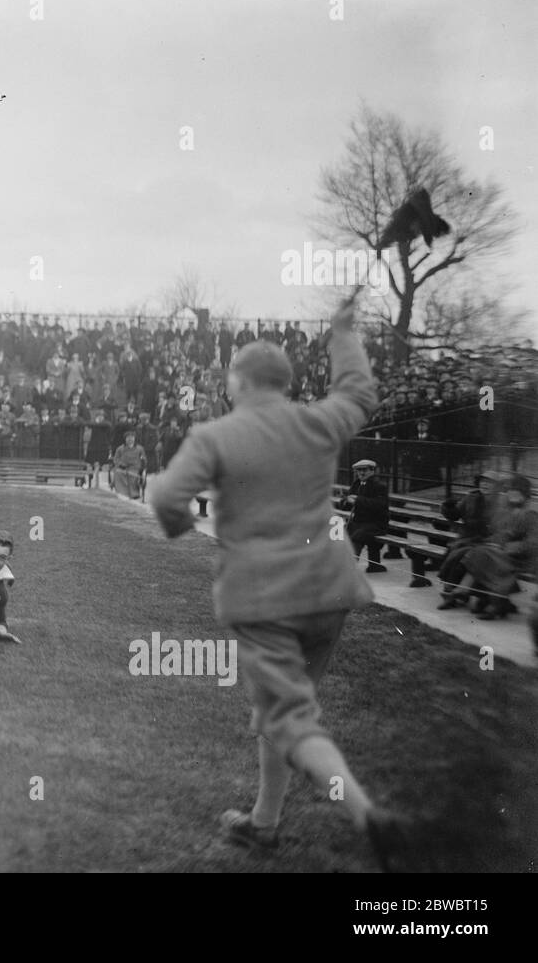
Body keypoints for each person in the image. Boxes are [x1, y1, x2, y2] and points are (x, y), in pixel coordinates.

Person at [149, 297, 412, 872]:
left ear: (236, 381)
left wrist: (172, 522)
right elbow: (359, 394)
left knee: (287, 715)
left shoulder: (215, 434)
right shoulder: (317, 421)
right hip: (331, 591)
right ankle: (264, 824)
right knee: (279, 711)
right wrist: (343, 334)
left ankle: (368, 814)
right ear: (286, 383)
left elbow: (168, 500)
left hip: (266, 599)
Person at [452, 474, 538, 618]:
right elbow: (503, 534)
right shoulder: (508, 512)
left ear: (525, 494)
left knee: (485, 555)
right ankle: (488, 600)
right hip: (505, 554)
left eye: (517, 491)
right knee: (481, 552)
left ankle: (483, 598)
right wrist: (494, 542)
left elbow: (533, 543)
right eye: (510, 490)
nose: (512, 494)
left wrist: (507, 547)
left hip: (523, 557)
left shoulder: (530, 515)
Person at [436, 472, 501, 608]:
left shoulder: (499, 502)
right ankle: (450, 592)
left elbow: (501, 527)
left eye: (489, 483)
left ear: (496, 486)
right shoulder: (471, 498)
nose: (485, 485)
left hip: (486, 540)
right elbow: (455, 515)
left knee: (461, 555)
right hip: (467, 538)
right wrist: (448, 507)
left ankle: (453, 593)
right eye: (483, 482)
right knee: (453, 551)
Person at [337, 460, 390, 573]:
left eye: (364, 470)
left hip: (376, 523)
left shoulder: (380, 485)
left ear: (372, 471)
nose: (361, 473)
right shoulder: (356, 484)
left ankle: (349, 569)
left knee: (357, 536)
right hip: (359, 522)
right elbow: (347, 506)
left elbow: (380, 505)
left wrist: (358, 500)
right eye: (358, 470)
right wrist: (345, 501)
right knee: (340, 532)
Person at [111, 431, 146, 500]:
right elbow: (116, 459)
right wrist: (121, 464)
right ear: (125, 439)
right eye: (128, 438)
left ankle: (134, 494)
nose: (130, 439)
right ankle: (122, 493)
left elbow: (144, 458)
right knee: (118, 473)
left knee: (132, 476)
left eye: (132, 438)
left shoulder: (140, 448)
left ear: (134, 439)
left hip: (135, 468)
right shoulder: (120, 449)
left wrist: (142, 464)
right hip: (123, 468)